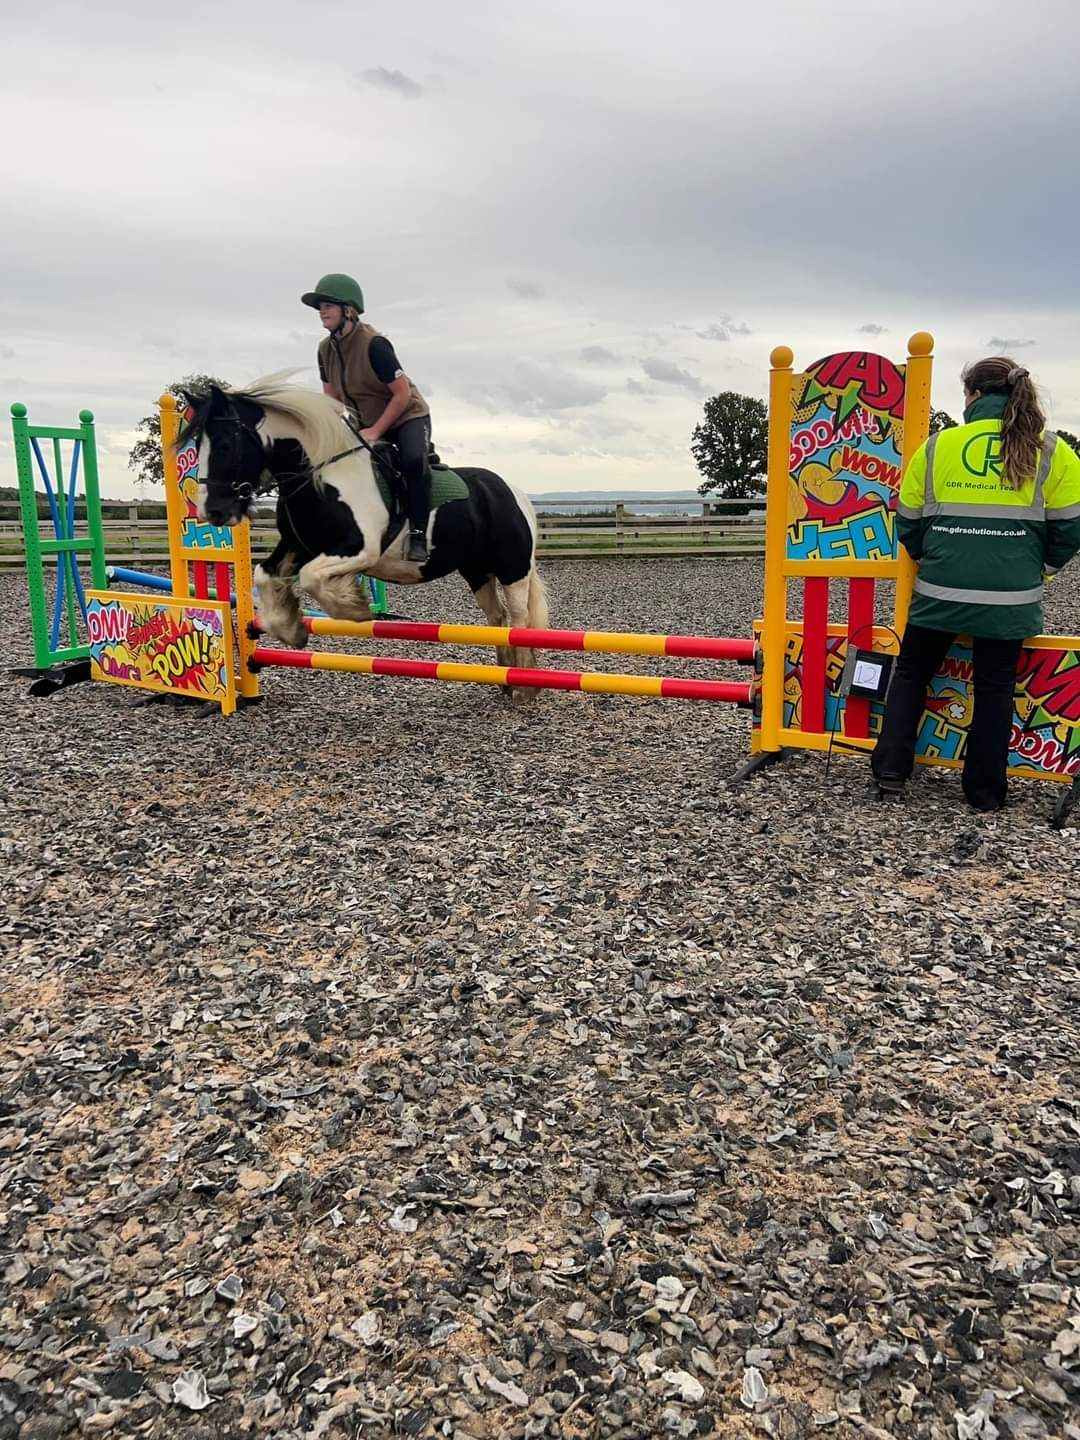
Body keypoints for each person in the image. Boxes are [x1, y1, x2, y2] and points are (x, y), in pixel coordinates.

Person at [871, 356, 1080, 811]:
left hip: (939, 592)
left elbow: (908, 522)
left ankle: (890, 773)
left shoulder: (937, 447)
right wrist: (1037, 571)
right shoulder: (1053, 451)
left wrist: (934, 558)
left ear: (974, 395)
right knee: (994, 687)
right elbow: (1069, 530)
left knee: (911, 675)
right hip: (1011, 599)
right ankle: (985, 794)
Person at [302, 273, 433, 563]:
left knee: (411, 461)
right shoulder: (324, 349)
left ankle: (419, 533)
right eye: (320, 306)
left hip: (407, 415)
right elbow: (331, 397)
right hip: (363, 421)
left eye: (328, 305)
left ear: (348, 310)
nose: (322, 311)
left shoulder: (375, 345)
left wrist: (374, 431)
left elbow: (401, 395)